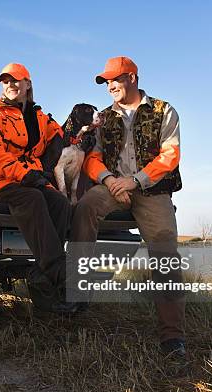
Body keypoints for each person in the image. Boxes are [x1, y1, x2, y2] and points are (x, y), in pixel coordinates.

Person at [70, 56, 186, 356]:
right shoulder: (103, 117)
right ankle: (77, 293)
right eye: (106, 82)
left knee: (164, 247)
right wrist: (109, 181)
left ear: (132, 78)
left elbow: (170, 155)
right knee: (85, 207)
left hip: (152, 188)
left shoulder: (163, 110)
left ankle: (172, 336)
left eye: (115, 79)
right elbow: (91, 158)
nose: (110, 86)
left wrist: (135, 181)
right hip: (112, 186)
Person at [0, 63, 76, 313]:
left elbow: (59, 134)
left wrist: (48, 165)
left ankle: (41, 280)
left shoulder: (39, 116)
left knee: (59, 203)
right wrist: (25, 174)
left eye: (16, 80)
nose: (11, 85)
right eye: (6, 81)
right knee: (32, 199)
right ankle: (58, 268)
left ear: (28, 84)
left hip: (31, 180)